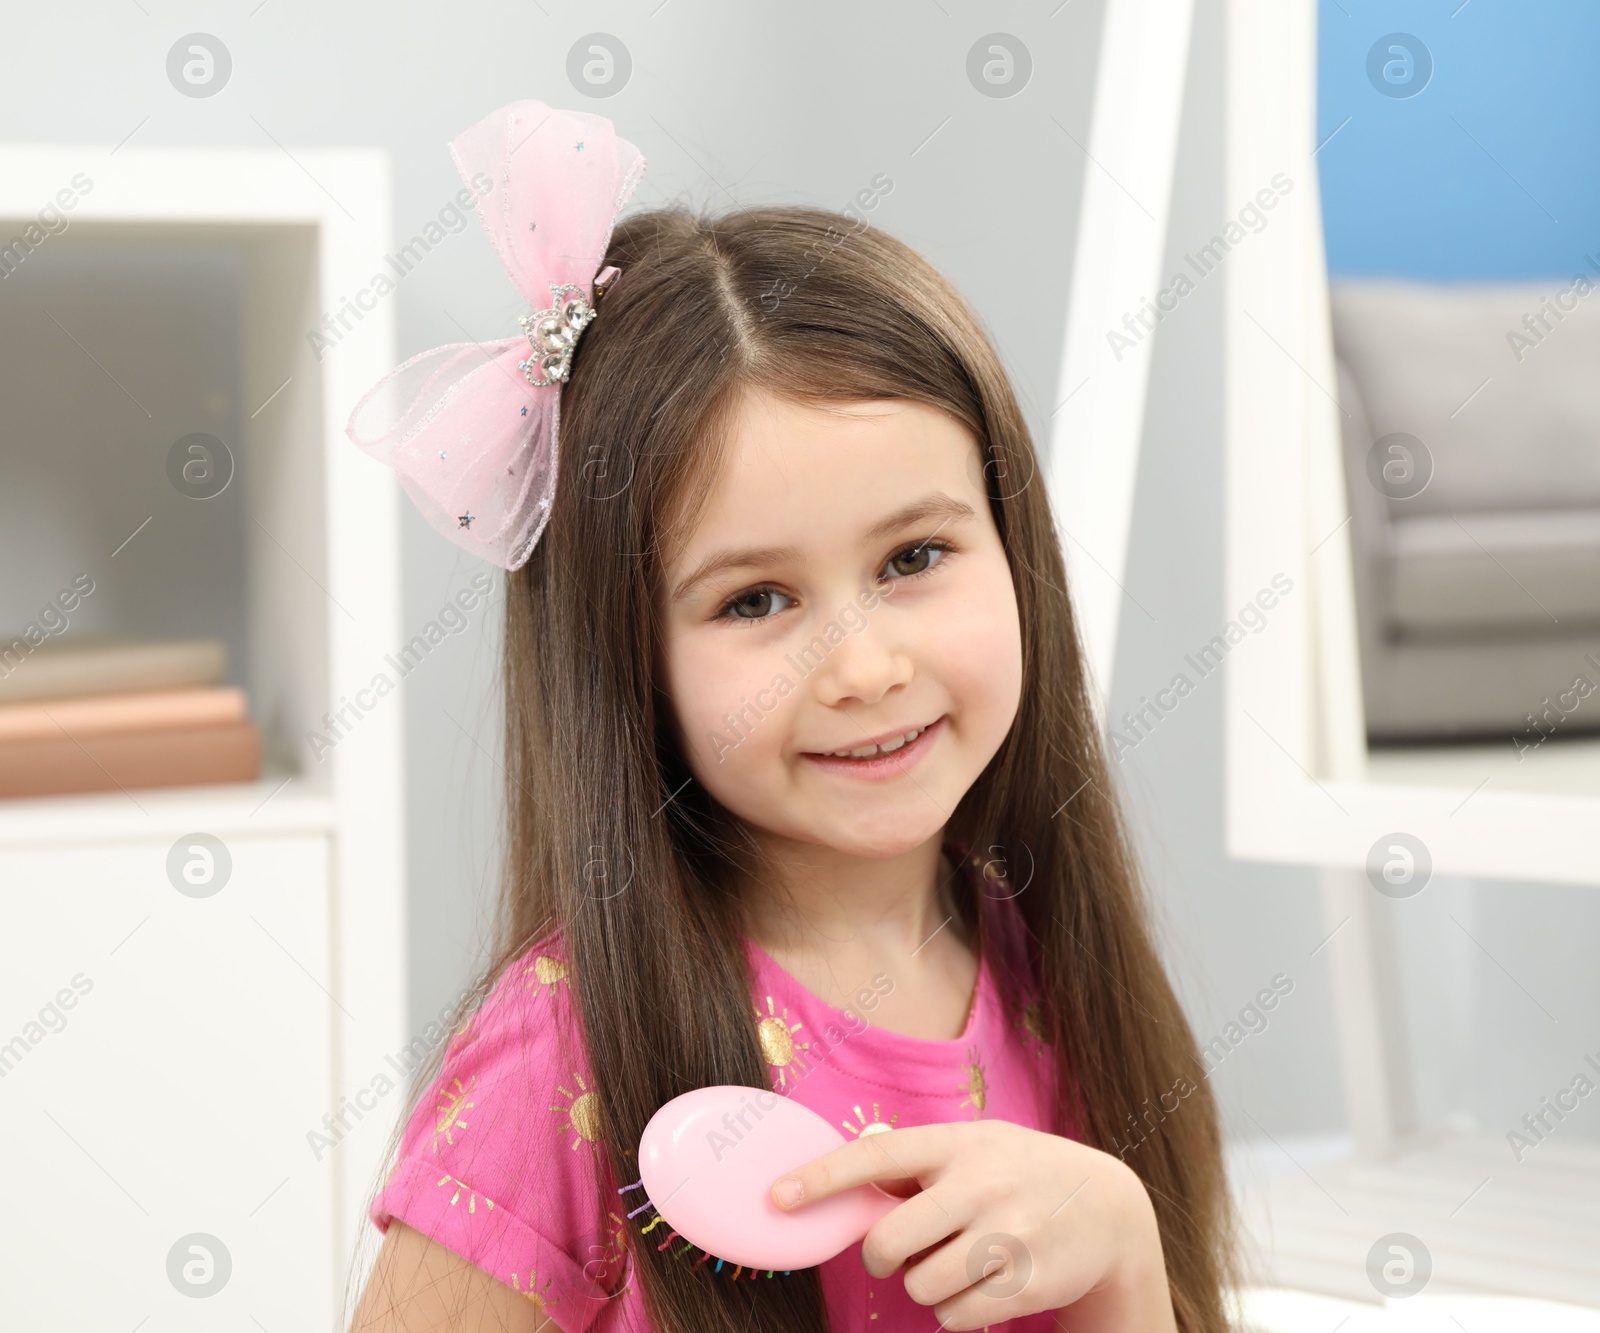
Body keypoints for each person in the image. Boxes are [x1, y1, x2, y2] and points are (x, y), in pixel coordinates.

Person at [346, 99, 1234, 1333]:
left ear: (1013, 545)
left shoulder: (1051, 971)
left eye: (915, 555)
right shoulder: (562, 1055)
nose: (861, 667)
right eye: (756, 598)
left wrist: (1124, 1254)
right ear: (626, 657)